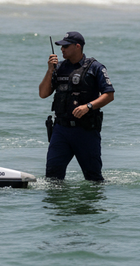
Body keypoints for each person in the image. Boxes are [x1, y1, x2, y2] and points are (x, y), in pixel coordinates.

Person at [38, 31, 115, 181]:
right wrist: (49, 70)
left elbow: (109, 95)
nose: (62, 49)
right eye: (61, 46)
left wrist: (88, 106)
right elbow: (43, 93)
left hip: (85, 131)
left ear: (77, 46)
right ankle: (57, 204)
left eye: (66, 46)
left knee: (93, 178)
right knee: (52, 177)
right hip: (61, 130)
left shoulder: (95, 67)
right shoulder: (58, 68)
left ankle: (91, 204)